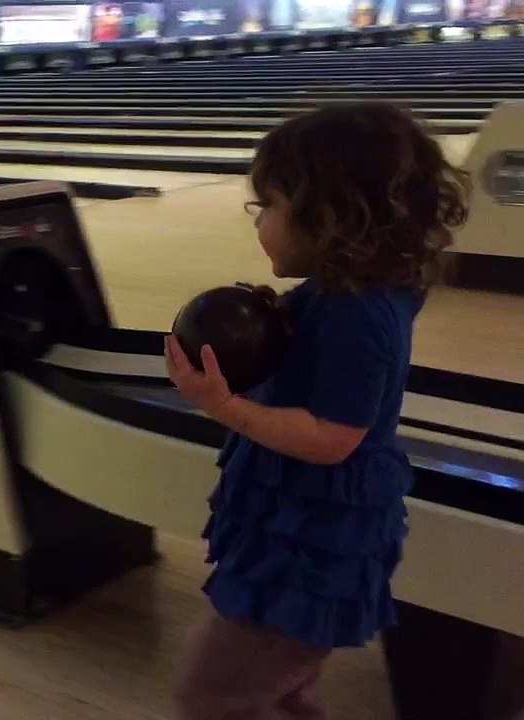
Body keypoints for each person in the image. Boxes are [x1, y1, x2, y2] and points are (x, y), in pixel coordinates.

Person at [163, 102, 472, 720]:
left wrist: (224, 406)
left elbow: (332, 438)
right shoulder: (344, 293)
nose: (258, 222)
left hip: (313, 539)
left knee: (214, 697)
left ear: (330, 217)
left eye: (268, 206)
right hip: (303, 524)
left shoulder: (357, 315)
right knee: (284, 689)